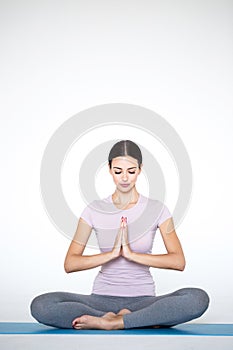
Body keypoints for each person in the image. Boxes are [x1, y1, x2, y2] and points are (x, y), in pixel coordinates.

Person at [30, 140, 209, 330]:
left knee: (197, 298)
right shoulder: (94, 210)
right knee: (41, 305)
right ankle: (121, 319)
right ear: (109, 169)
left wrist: (132, 255)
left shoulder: (157, 209)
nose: (124, 178)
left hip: (144, 302)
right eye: (118, 171)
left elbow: (178, 261)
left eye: (131, 171)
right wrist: (112, 254)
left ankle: (116, 322)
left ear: (140, 169)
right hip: (99, 301)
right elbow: (70, 264)